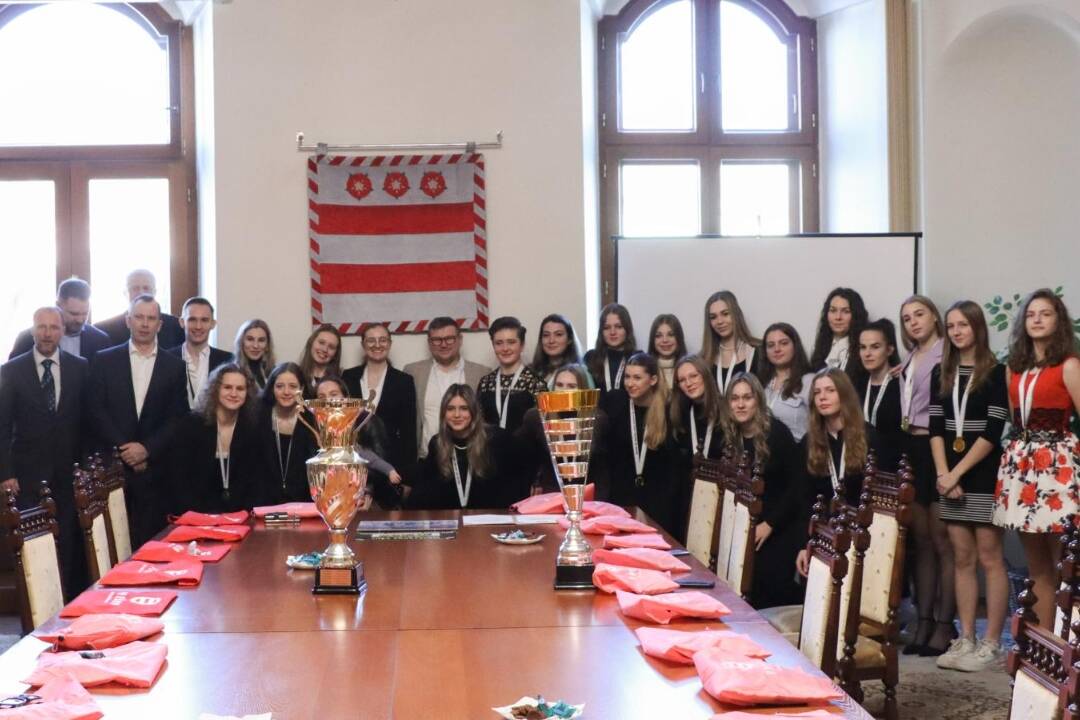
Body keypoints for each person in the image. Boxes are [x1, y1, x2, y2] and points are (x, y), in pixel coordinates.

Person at [994, 289, 1080, 631]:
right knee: (1037, 566)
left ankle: (1067, 643)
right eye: (1031, 314)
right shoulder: (1014, 368)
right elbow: (1018, 418)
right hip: (1023, 465)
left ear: (1058, 321)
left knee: (1066, 563)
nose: (1038, 320)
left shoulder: (1069, 365)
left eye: (1045, 313)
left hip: (1057, 466)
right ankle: (1042, 645)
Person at [930, 301, 1009, 672]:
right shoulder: (940, 372)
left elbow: (992, 433)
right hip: (950, 474)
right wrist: (944, 475)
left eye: (963, 324)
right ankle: (966, 638)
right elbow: (935, 429)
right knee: (962, 556)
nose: (957, 331)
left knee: (990, 556)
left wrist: (957, 473)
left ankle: (991, 641)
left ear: (978, 327)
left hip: (981, 470)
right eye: (951, 325)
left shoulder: (996, 373)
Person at [0, 306, 89, 597]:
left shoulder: (80, 367)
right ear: (33, 329)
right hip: (27, 474)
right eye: (42, 327)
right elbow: (2, 425)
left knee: (68, 543)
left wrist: (84, 468)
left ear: (62, 331)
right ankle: (36, 606)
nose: (47, 333)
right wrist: (6, 473)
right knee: (32, 545)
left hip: (68, 472)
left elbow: (87, 421)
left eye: (53, 327)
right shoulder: (11, 371)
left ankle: (66, 603)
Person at [86, 295, 188, 547]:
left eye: (151, 318)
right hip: (112, 471)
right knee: (111, 545)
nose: (145, 323)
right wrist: (125, 449)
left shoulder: (175, 366)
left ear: (160, 325)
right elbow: (95, 411)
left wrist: (146, 450)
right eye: (139, 317)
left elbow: (177, 417)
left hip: (154, 473)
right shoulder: (104, 360)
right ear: (127, 320)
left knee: (151, 545)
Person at [898, 294, 954, 656]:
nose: (913, 322)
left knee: (941, 540)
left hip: (940, 446)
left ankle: (944, 623)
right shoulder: (908, 359)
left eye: (919, 314)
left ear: (935, 317)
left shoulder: (947, 354)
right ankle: (923, 619)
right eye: (906, 318)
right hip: (911, 447)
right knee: (919, 541)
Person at [723, 373, 803, 609]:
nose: (740, 404)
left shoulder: (777, 434)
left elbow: (796, 488)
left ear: (758, 400)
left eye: (747, 398)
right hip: (746, 526)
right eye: (735, 398)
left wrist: (770, 524)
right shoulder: (730, 436)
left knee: (768, 590)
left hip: (778, 526)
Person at [795, 368, 877, 576]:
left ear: (845, 394)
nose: (822, 397)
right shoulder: (809, 442)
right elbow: (805, 500)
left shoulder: (870, 437)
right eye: (817, 392)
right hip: (824, 535)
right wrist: (805, 545)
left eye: (830, 390)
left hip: (864, 536)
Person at [169, 364, 262, 513]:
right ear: (215, 389)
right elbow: (179, 478)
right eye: (227, 387)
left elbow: (255, 482)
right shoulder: (191, 425)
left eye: (240, 389)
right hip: (196, 514)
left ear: (247, 393)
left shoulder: (252, 428)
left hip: (239, 517)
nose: (233, 393)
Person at [606, 352, 680, 538]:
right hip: (623, 498)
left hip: (658, 502)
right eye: (627, 377)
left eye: (637, 378)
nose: (630, 383)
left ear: (653, 379)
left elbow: (672, 465)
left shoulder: (668, 411)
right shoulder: (616, 406)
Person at [410, 384, 519, 509]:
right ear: (443, 413)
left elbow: (513, 484)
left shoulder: (496, 439)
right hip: (451, 519)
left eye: (463, 408)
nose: (457, 415)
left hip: (489, 520)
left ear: (473, 411)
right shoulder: (437, 443)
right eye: (450, 408)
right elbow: (427, 486)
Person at [517, 363, 610, 497]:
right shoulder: (536, 417)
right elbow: (527, 461)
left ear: (582, 390)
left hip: (586, 494)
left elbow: (601, 469)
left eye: (571, 386)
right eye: (559, 385)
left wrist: (601, 503)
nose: (563, 390)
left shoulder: (597, 418)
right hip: (548, 494)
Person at [403, 317, 490, 458]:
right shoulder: (413, 372)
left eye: (449, 338)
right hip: (426, 457)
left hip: (469, 457)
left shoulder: (482, 373)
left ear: (460, 340)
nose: (443, 345)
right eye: (437, 340)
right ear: (429, 343)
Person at [342, 324, 417, 486]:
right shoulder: (348, 377)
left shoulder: (404, 381)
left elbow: (408, 432)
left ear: (389, 344)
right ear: (363, 345)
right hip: (353, 464)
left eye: (382, 340)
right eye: (371, 340)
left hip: (391, 465)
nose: (377, 345)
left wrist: (407, 478)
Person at [314, 375, 403, 510]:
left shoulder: (366, 422)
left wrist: (364, 493)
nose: (328, 401)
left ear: (346, 398)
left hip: (369, 501)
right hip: (330, 502)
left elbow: (373, 461)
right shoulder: (315, 428)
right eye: (321, 397)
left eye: (334, 394)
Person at [256, 363, 318, 504]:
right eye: (279, 386)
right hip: (263, 502)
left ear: (301, 389)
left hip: (303, 503)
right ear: (272, 388)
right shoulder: (258, 416)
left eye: (293, 386)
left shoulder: (312, 419)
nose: (286, 392)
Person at [9, 278, 110, 362]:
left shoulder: (100, 341)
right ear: (58, 305)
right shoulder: (27, 339)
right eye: (74, 313)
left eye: (85, 313)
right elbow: (12, 375)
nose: (80, 320)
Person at [477, 316, 547, 434]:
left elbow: (544, 428)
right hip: (490, 450)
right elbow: (477, 422)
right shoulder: (485, 383)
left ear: (522, 345)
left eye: (511, 342)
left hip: (524, 451)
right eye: (499, 343)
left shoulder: (536, 383)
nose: (505, 348)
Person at [166, 297, 234, 409]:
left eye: (204, 320)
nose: (198, 326)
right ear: (182, 322)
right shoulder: (166, 359)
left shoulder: (228, 360)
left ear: (213, 324)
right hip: (176, 425)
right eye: (192, 320)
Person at [855, 319, 904, 469]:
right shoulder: (856, 386)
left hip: (894, 469)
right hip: (860, 467)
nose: (867, 354)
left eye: (875, 347)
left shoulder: (902, 385)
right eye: (863, 347)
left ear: (889, 350)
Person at [93, 269, 184, 348]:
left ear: (155, 292)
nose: (141, 293)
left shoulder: (176, 327)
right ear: (125, 293)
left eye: (146, 288)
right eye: (135, 288)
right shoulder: (104, 330)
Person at [758, 322, 815, 441]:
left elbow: (821, 425)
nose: (777, 349)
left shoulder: (809, 381)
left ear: (795, 346)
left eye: (784, 343)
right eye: (771, 345)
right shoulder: (760, 383)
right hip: (763, 453)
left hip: (798, 452)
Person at [701, 291, 760, 394]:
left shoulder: (759, 352)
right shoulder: (703, 359)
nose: (719, 321)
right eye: (713, 317)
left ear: (736, 315)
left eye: (725, 314)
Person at [670, 355, 726, 461]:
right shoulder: (678, 413)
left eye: (694, 376)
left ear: (705, 375)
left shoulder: (725, 410)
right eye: (682, 380)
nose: (689, 383)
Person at [809, 287, 868, 376]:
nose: (838, 317)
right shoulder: (820, 347)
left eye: (846, 311)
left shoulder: (864, 348)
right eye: (833, 310)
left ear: (856, 315)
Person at [584, 303, 637, 394]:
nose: (612, 332)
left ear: (627, 329)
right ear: (601, 331)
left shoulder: (636, 358)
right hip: (597, 408)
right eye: (607, 327)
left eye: (618, 327)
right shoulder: (591, 357)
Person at [530, 314, 582, 388]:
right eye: (546, 335)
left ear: (569, 339)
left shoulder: (581, 373)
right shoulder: (531, 371)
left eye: (558, 334)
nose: (551, 340)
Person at [298, 324, 342, 398]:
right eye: (321, 343)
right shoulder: (296, 376)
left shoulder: (342, 378)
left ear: (335, 353)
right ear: (311, 342)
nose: (325, 349)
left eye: (331, 347)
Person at [233, 319, 276, 390]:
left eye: (261, 340)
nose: (255, 345)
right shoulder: (231, 373)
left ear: (267, 345)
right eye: (250, 339)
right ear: (241, 342)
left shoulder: (274, 372)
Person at [647, 314, 687, 388]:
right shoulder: (644, 370)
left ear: (679, 338)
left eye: (671, 335)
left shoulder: (690, 369)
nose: (665, 340)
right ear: (652, 340)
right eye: (658, 336)